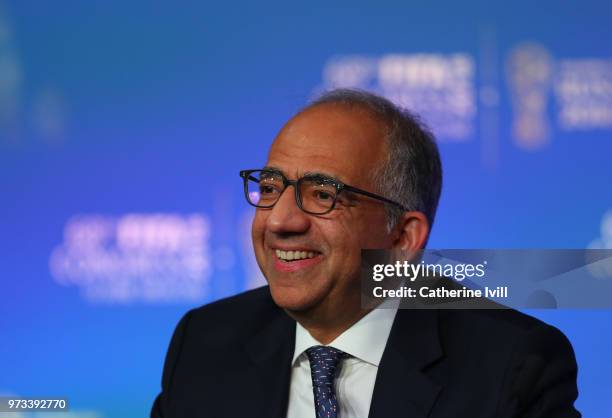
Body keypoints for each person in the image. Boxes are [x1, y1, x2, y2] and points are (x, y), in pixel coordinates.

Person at [151, 89, 580, 417]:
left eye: (322, 195)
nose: (280, 221)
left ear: (402, 238)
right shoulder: (205, 343)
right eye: (269, 188)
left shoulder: (513, 365)